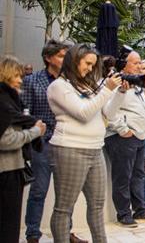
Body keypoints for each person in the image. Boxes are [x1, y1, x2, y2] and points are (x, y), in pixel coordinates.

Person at [47, 43, 125, 243]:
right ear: (74, 61)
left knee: (97, 205)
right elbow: (84, 113)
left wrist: (120, 93)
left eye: (93, 65)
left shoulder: (88, 86)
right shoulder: (59, 86)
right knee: (64, 208)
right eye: (87, 64)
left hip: (95, 148)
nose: (90, 69)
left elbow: (107, 113)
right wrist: (106, 90)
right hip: (70, 148)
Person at [22, 39, 78, 243]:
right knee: (39, 190)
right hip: (42, 142)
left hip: (67, 140)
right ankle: (33, 234)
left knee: (67, 191)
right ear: (48, 58)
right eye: (62, 56)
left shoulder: (71, 82)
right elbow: (25, 113)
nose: (66, 60)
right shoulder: (32, 81)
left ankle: (66, 232)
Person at [104, 50, 145, 226]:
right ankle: (123, 213)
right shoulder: (117, 82)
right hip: (122, 137)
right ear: (125, 64)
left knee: (138, 174)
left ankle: (140, 209)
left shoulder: (136, 83)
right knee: (123, 176)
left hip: (138, 136)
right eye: (136, 63)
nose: (139, 66)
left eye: (140, 63)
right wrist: (122, 128)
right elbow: (108, 110)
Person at [0, 56, 46, 243]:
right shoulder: (4, 102)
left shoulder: (11, 101)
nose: (21, 80)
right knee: (8, 224)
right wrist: (36, 131)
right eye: (17, 76)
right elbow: (6, 140)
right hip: (6, 170)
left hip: (12, 168)